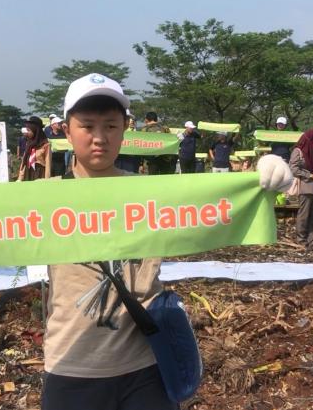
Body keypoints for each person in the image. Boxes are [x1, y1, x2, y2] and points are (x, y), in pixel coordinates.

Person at [39, 73, 292, 410]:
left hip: (147, 365)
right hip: (72, 365)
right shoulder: (40, 200)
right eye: (87, 126)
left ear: (125, 129)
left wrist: (262, 177)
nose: (99, 138)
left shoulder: (154, 195)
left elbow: (214, 206)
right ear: (66, 130)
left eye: (111, 126)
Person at [289, 129, 313, 249]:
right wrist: (310, 175)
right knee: (304, 214)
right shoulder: (298, 151)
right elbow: (293, 168)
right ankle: (301, 239)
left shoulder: (311, 153)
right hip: (305, 186)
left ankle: (311, 240)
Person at [18, 116, 51, 181]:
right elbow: (24, 161)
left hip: (39, 173)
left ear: (35, 130)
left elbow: (48, 164)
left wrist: (47, 179)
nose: (27, 132)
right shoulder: (29, 143)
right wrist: (20, 177)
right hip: (28, 172)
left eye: (29, 130)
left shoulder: (46, 144)